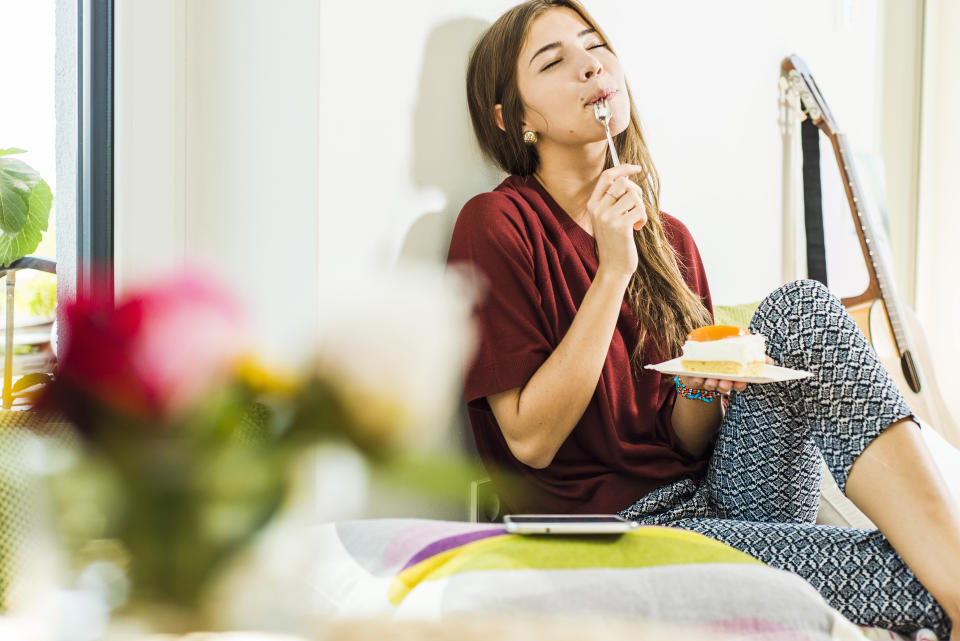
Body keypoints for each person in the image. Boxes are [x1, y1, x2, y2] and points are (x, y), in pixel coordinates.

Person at [445, 1, 960, 638]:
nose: (590, 66)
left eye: (594, 45)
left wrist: (704, 384)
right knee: (922, 579)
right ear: (515, 118)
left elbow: (685, 441)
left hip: (720, 498)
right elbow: (530, 440)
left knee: (800, 307)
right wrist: (612, 273)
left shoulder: (670, 240)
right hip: (620, 538)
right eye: (554, 61)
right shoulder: (497, 225)